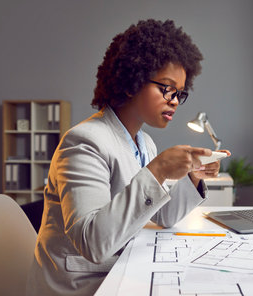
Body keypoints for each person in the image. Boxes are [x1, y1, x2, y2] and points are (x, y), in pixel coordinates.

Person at [26, 19, 230, 295]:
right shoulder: (83, 142)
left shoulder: (145, 142)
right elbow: (93, 244)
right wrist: (157, 172)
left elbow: (164, 217)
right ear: (132, 81)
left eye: (179, 93)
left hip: (120, 269)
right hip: (82, 285)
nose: (173, 100)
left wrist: (193, 176)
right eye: (166, 88)